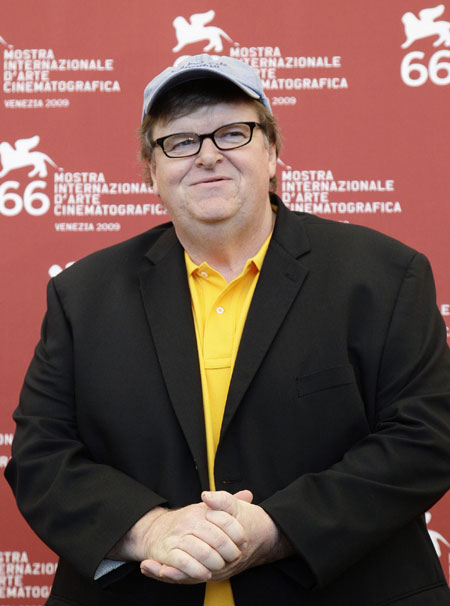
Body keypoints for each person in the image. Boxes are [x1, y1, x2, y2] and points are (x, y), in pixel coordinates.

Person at [5, 54, 450, 606]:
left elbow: (427, 438)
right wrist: (151, 530)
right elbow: (41, 456)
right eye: (180, 141)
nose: (208, 155)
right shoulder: (81, 296)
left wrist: (277, 528)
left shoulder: (384, 276)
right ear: (152, 172)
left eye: (232, 132)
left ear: (272, 154)